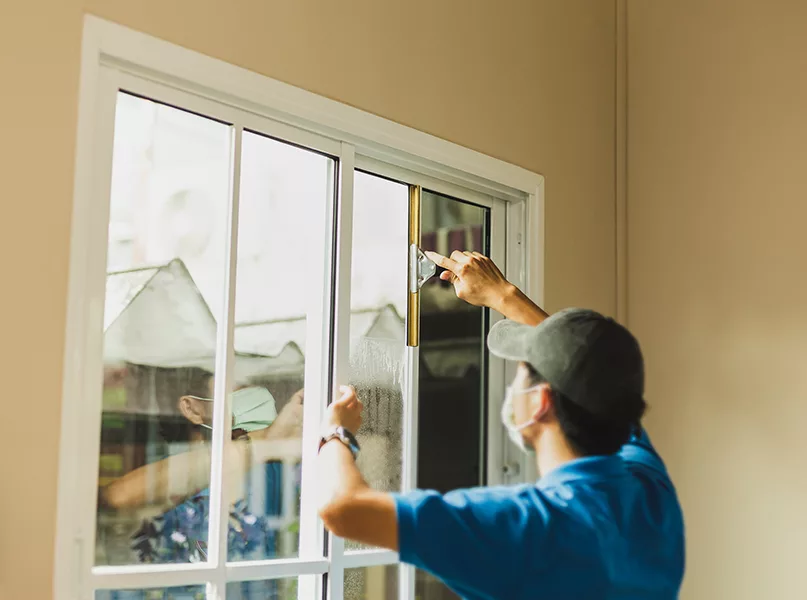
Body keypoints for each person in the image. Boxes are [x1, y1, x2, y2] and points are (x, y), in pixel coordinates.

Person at [315, 251, 685, 599]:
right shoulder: (649, 492)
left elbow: (343, 509)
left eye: (521, 373)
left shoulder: (521, 525)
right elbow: (596, 382)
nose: (512, 385)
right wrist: (502, 295)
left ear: (540, 402)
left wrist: (337, 431)